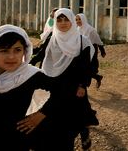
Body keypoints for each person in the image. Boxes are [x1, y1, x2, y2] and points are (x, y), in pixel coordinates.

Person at [38, 8, 98, 150]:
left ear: (71, 20)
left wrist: (83, 85)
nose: (63, 23)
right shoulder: (52, 37)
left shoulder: (81, 41)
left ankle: (83, 135)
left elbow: (86, 66)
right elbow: (42, 54)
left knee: (76, 119)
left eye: (66, 19)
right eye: (59, 19)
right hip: (54, 85)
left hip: (74, 87)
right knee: (55, 121)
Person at [0, 25, 54, 151]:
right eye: (4, 50)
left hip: (16, 140)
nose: (11, 56)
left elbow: (64, 91)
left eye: (17, 50)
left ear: (25, 51)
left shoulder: (31, 75)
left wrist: (41, 114)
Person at [76, 13, 106, 89]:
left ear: (83, 19)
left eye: (79, 19)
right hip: (81, 51)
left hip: (91, 50)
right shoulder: (77, 29)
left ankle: (85, 85)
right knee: (82, 68)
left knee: (88, 68)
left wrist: (102, 50)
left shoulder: (90, 29)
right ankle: (97, 77)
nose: (78, 21)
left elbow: (98, 40)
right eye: (76, 19)